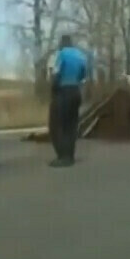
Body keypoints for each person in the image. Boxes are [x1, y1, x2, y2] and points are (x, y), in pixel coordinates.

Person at [49, 35, 87, 168]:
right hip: (76, 91)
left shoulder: (61, 54)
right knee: (71, 125)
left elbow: (56, 73)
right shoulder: (81, 55)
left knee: (59, 125)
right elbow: (83, 74)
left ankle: (62, 156)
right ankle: (70, 156)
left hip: (63, 91)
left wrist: (53, 88)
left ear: (62, 43)